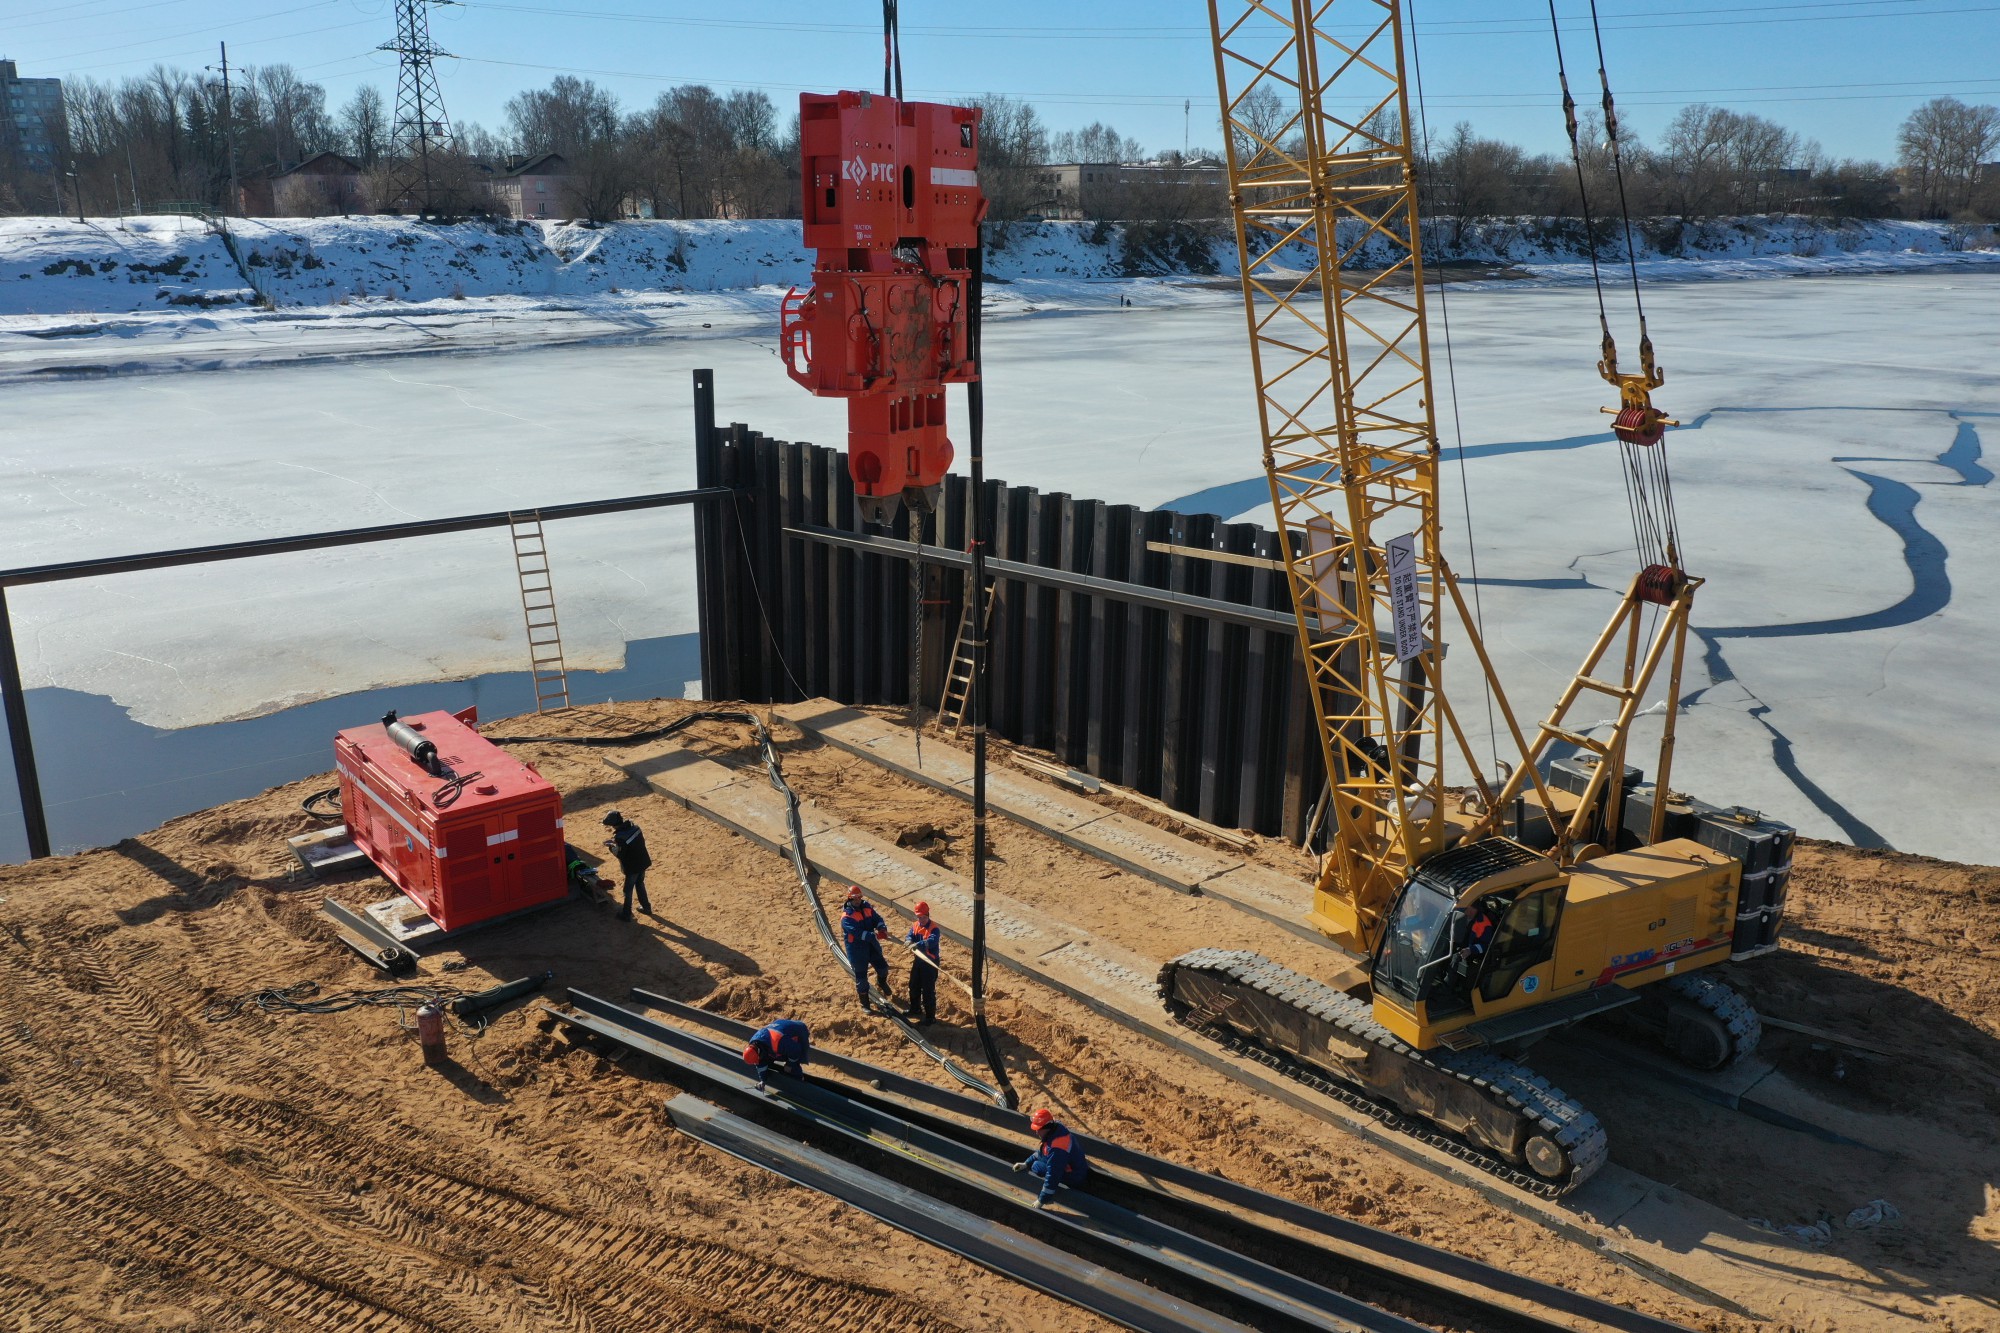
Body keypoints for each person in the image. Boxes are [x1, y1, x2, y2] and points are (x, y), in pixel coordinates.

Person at [1010, 1108, 1089, 1208]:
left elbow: (1053, 1175)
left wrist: (1041, 1200)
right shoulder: (1056, 1130)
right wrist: (1026, 1163)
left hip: (1074, 1176)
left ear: (1046, 1127)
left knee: (1036, 1166)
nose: (1036, 1132)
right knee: (1037, 1162)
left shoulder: (1058, 1148)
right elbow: (1043, 1151)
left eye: (1038, 1129)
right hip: (1076, 1167)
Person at [839, 885, 892, 1009]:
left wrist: (881, 927)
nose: (858, 900)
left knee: (883, 968)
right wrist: (874, 935)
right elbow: (857, 933)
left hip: (871, 946)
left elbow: (877, 918)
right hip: (857, 951)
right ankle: (865, 1004)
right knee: (862, 979)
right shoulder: (847, 917)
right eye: (855, 898)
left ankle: (881, 982)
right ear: (849, 899)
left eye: (859, 897)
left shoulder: (866, 907)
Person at [602, 811, 653, 920]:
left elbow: (620, 854)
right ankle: (646, 907)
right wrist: (616, 842)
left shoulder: (620, 837)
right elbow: (631, 844)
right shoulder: (635, 828)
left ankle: (626, 914)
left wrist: (611, 846)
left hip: (632, 867)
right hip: (643, 862)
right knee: (640, 884)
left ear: (614, 825)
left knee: (627, 890)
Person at [742, 1018, 812, 1089]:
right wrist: (763, 1080)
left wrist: (790, 1064)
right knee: (766, 1058)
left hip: (799, 1031)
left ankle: (800, 1083)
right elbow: (760, 1063)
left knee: (793, 1064)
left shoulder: (779, 1042)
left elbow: (796, 1050)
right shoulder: (754, 1044)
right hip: (780, 1027)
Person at [904, 900, 942, 1025]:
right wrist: (909, 940)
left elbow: (932, 941)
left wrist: (918, 944)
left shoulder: (934, 929)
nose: (921, 920)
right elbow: (910, 935)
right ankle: (915, 1008)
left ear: (928, 915)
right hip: (919, 961)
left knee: (928, 990)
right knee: (913, 985)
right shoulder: (916, 925)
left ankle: (930, 1017)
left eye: (923, 917)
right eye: (919, 917)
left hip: (930, 963)